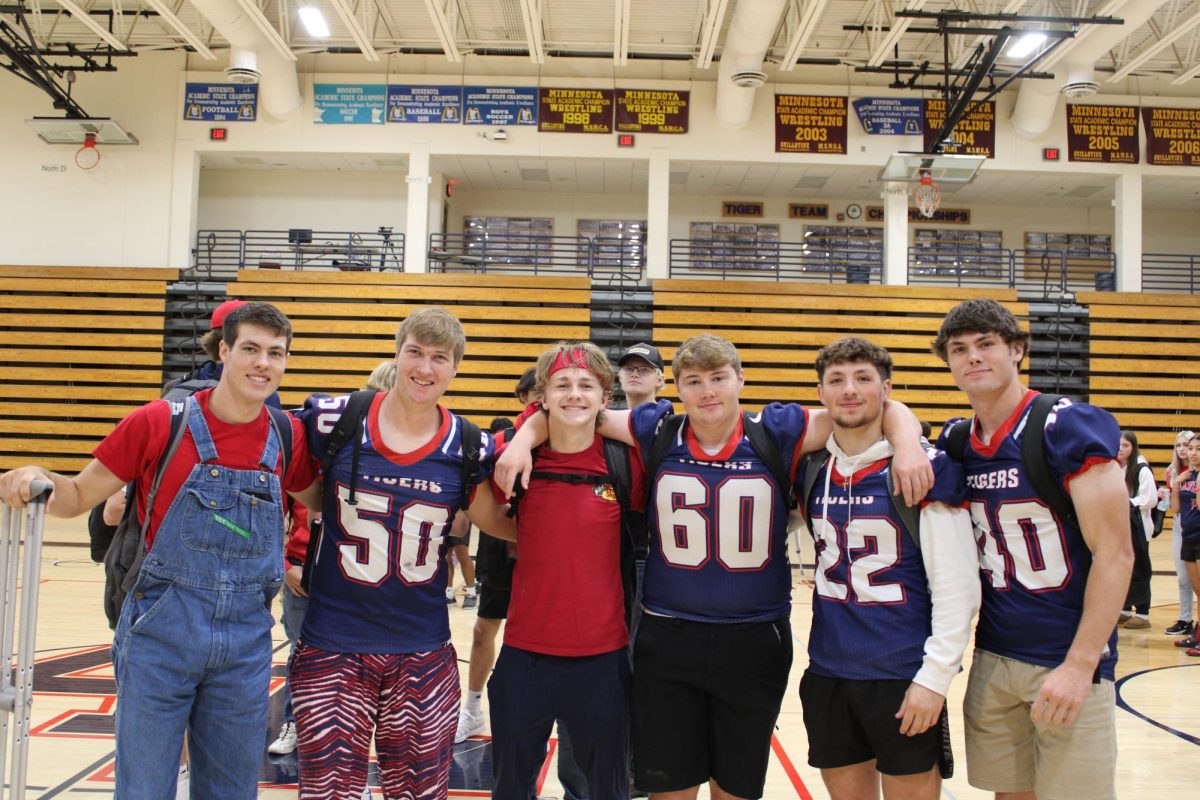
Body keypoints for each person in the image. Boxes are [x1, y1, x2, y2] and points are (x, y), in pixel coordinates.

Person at [499, 333, 933, 800]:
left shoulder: (777, 431)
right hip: (669, 636)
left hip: (754, 638)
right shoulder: (656, 429)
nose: (707, 392)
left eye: (718, 379)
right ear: (677, 390)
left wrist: (907, 441)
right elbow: (574, 413)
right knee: (671, 789)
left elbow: (866, 407)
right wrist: (523, 437)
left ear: (740, 380)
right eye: (694, 382)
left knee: (736, 789)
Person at [0, 302, 319, 799]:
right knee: (144, 789)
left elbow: (322, 502)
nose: (263, 363)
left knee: (232, 791)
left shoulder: (288, 435)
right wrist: (34, 474)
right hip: (160, 634)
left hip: (246, 641)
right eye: (251, 349)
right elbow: (78, 494)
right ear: (224, 352)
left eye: (275, 353)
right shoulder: (158, 422)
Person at [290, 307, 515, 800]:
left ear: (455, 368)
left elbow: (501, 524)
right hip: (333, 647)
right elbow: (286, 478)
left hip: (421, 652)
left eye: (440, 357)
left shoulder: (469, 446)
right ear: (397, 354)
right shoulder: (334, 420)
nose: (425, 367)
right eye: (415, 352)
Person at [931, 298, 1132, 800]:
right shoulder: (957, 439)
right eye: (959, 349)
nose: (973, 357)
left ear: (1017, 350)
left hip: (1065, 656)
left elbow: (1116, 554)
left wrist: (1081, 665)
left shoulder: (1064, 426)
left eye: (986, 345)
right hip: (995, 655)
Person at [798, 337, 979, 800]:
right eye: (836, 380)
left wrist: (935, 681)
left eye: (863, 378)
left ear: (886, 389)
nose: (849, 390)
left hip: (902, 677)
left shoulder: (923, 470)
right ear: (821, 393)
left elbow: (957, 587)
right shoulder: (811, 468)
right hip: (829, 672)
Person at [486, 341, 644, 800]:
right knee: (511, 788)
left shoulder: (624, 460)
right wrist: (521, 439)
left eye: (586, 385)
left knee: (607, 789)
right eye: (562, 385)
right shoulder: (511, 454)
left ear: (604, 396)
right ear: (543, 395)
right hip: (524, 656)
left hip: (602, 659)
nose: (574, 394)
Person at [455, 417, 518, 744]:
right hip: (499, 551)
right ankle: (474, 708)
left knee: (528, 643)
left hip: (542, 555)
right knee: (483, 630)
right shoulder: (497, 445)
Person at [168, 298, 282, 408]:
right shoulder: (263, 391)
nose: (263, 363)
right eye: (250, 348)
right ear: (223, 349)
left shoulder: (179, 385)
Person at [1117, 431, 1157, 630]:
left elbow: (1150, 498)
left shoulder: (1141, 468)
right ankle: (1124, 609)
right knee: (1122, 567)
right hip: (1121, 526)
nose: (1121, 449)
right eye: (1118, 445)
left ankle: (1142, 613)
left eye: (1125, 445)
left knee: (1140, 568)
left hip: (1139, 526)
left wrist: (1125, 503)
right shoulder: (1114, 467)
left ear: (1133, 447)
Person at [1163, 430, 1197, 637]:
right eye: (1180, 445)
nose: (1183, 449)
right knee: (1183, 577)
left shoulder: (1197, 471)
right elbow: (1174, 507)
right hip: (1180, 524)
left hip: (1196, 524)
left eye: (1188, 445)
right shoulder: (1172, 471)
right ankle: (1185, 618)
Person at [1169, 435, 1200, 655]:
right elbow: (1175, 509)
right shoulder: (1187, 475)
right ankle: (1197, 635)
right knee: (1197, 590)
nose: (1193, 453)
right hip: (1188, 536)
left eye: (1198, 449)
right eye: (1191, 448)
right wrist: (1177, 483)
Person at [615, 342, 665, 409]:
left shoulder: (668, 419)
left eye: (644, 370)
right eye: (628, 369)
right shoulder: (611, 419)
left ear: (659, 380)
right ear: (620, 376)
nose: (634, 374)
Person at [445, 511, 478, 607]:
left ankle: (471, 593)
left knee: (462, 553)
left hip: (460, 511)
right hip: (444, 511)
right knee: (445, 555)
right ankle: (448, 591)